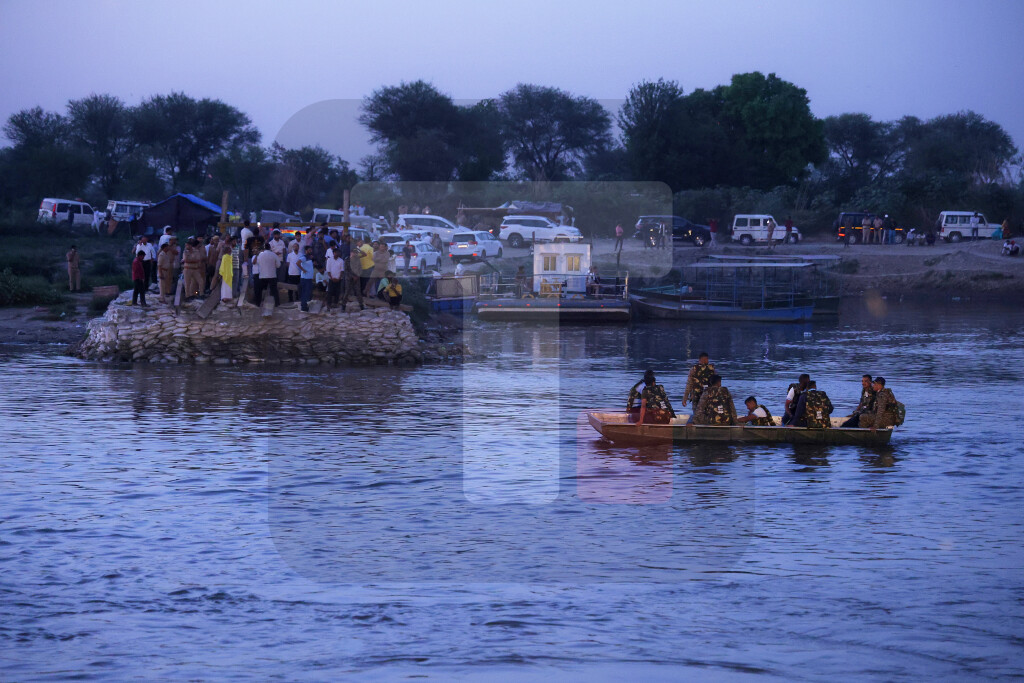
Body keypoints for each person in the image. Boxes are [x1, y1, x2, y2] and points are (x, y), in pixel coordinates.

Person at [254, 242, 281, 308]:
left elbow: (257, 263)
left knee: (260, 290)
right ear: (270, 248)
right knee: (274, 291)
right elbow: (278, 265)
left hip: (262, 275)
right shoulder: (274, 255)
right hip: (272, 275)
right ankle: (277, 304)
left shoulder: (260, 255)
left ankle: (258, 304)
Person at [342, 235, 365, 310]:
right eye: (353, 253)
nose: (354, 254)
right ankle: (343, 305)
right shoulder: (347, 260)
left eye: (355, 253)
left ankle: (361, 305)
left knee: (358, 292)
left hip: (356, 278)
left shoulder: (358, 260)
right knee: (347, 292)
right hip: (349, 278)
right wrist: (352, 276)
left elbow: (360, 269)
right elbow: (346, 270)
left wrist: (357, 276)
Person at [297, 246, 316, 312]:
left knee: (308, 293)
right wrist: (303, 270)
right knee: (305, 292)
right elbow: (297, 263)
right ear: (306, 250)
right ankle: (304, 307)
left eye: (311, 250)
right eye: (309, 250)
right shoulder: (304, 257)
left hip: (309, 278)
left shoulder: (309, 258)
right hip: (305, 278)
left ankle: (305, 305)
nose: (311, 251)